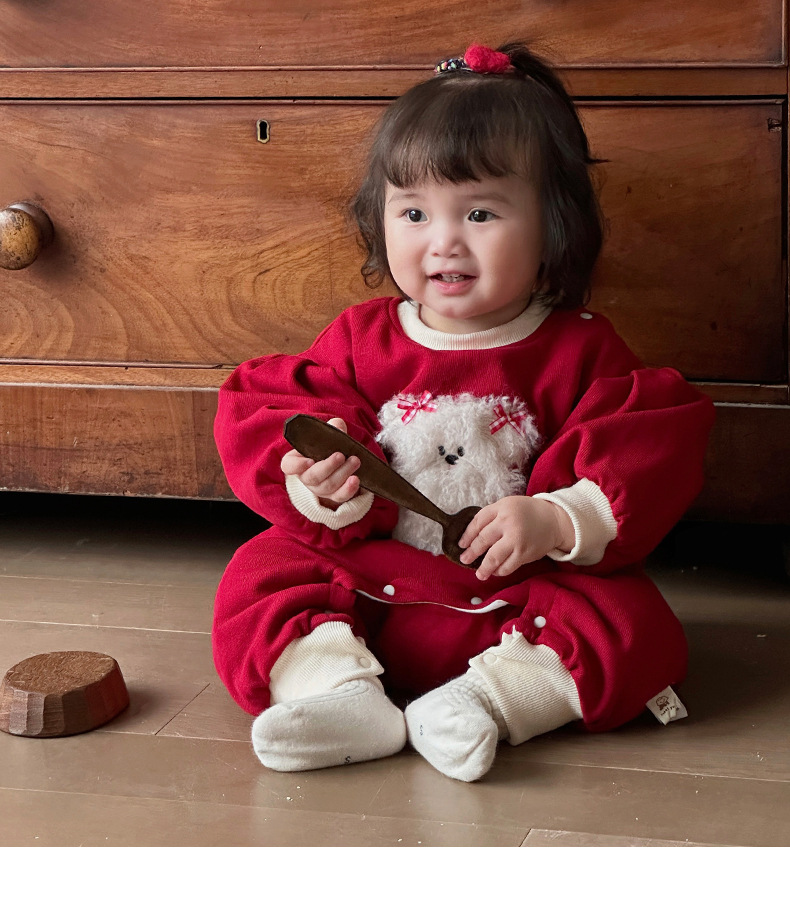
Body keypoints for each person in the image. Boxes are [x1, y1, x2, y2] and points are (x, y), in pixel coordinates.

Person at [212, 41, 715, 782]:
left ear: (552, 226)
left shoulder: (579, 350)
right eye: (413, 212)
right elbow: (282, 419)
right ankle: (337, 691)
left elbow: (642, 450)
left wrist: (554, 518)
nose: (443, 241)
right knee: (260, 575)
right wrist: (325, 487)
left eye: (479, 212)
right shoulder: (360, 339)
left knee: (636, 627)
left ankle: (484, 703)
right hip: (372, 591)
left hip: (518, 601)